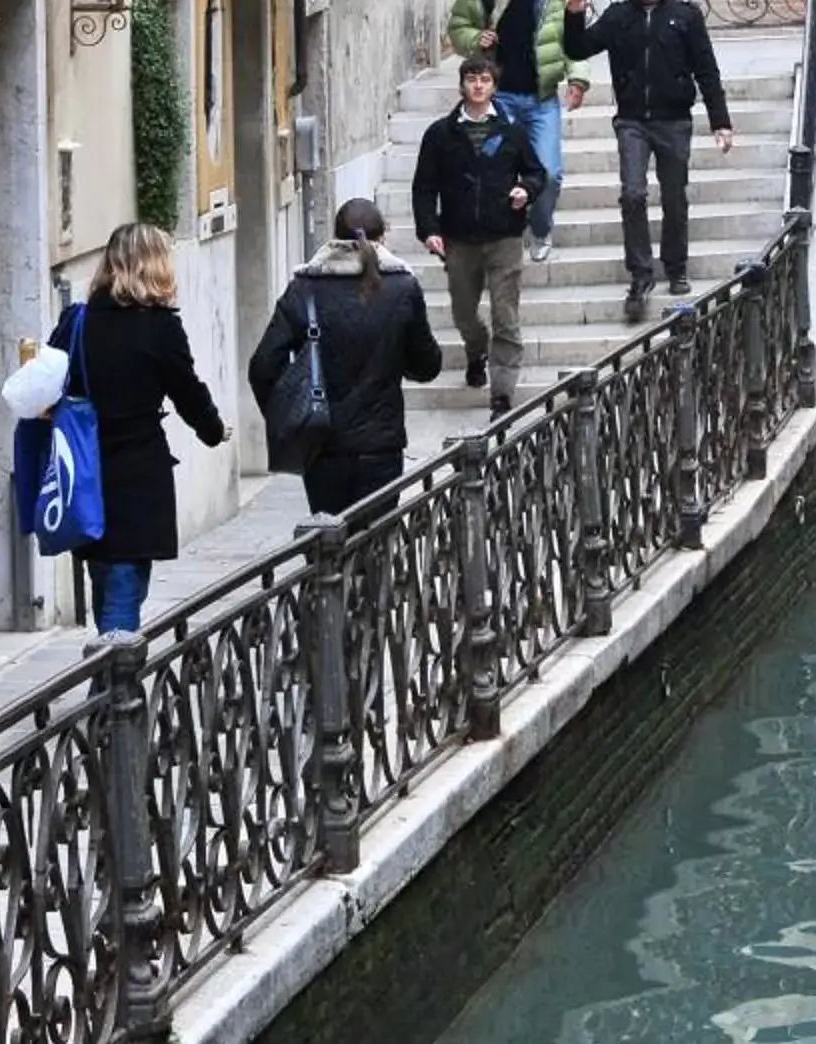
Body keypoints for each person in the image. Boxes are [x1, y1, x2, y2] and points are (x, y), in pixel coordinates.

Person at [50, 222, 229, 634]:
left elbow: (53, 384)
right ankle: (114, 692)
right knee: (125, 587)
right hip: (136, 473)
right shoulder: (159, 327)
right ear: (154, 266)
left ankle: (108, 681)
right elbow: (187, 390)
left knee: (106, 581)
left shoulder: (79, 321)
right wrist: (214, 430)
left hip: (85, 470)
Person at [563, 0, 735, 322]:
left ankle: (675, 267)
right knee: (633, 193)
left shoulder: (685, 17)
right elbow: (578, 49)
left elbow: (706, 70)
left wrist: (720, 121)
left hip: (674, 120)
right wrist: (573, 16)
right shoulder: (618, 16)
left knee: (674, 196)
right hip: (632, 120)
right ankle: (640, 275)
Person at [248, 197, 442, 515]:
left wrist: (287, 414)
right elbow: (427, 366)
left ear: (334, 238)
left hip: (322, 443)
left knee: (330, 545)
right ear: (382, 238)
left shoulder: (305, 288)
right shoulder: (402, 288)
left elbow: (263, 366)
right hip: (382, 445)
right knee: (376, 544)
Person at [411, 52, 548, 418]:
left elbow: (537, 173)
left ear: (493, 86)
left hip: (504, 236)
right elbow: (424, 188)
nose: (478, 85)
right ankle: (476, 350)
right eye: (472, 79)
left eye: (485, 80)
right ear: (462, 84)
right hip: (458, 238)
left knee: (506, 315)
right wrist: (429, 230)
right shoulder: (440, 134)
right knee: (463, 313)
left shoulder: (512, 131)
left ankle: (502, 394)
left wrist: (527, 191)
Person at [448, 0, 591, 263]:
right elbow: (456, 28)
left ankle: (539, 229)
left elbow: (572, 39)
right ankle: (503, 236)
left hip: (541, 99)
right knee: (494, 169)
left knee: (550, 173)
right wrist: (474, 39)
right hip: (500, 99)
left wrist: (578, 78)